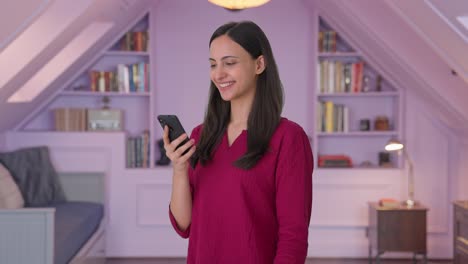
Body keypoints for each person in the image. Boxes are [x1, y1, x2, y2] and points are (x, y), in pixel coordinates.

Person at [163, 21, 313, 264]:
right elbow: (184, 225)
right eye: (213, 64)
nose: (218, 74)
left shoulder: (289, 137)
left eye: (229, 63)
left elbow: (293, 236)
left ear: (259, 64)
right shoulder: (201, 136)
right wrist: (179, 169)